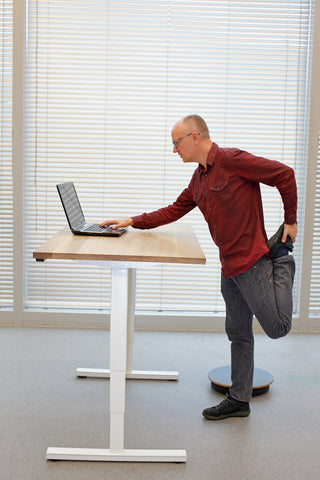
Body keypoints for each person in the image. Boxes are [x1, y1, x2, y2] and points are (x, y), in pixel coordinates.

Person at [100, 114, 297, 420]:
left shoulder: (233, 160)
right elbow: (173, 210)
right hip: (229, 267)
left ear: (194, 137)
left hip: (253, 262)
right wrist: (132, 221)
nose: (174, 150)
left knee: (278, 328)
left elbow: (284, 175)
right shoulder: (199, 179)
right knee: (238, 332)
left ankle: (282, 258)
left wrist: (290, 222)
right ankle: (239, 399)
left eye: (176, 143)